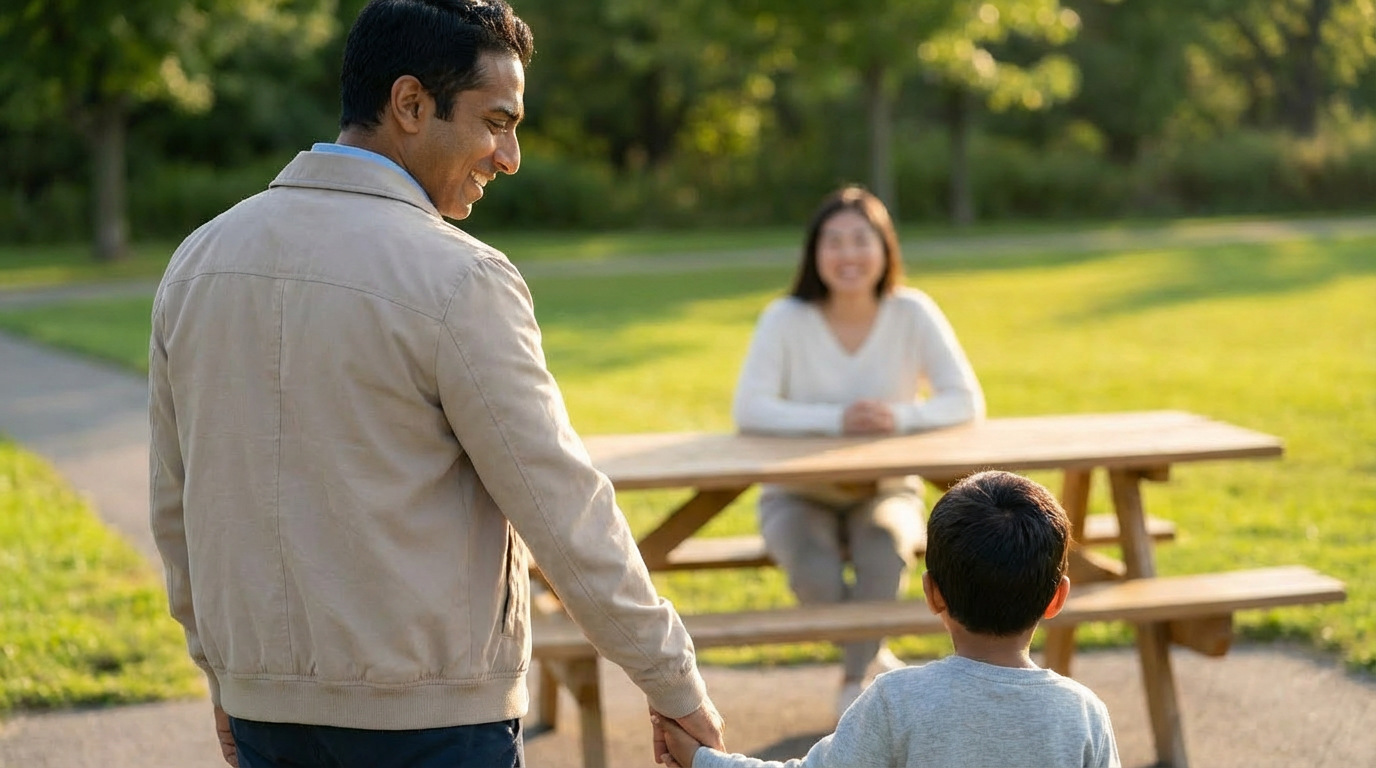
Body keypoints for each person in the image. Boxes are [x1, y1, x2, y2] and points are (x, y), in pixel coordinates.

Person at [148, 1, 723, 766]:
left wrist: (223, 672)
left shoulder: (197, 261)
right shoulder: (459, 276)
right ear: (411, 104)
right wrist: (675, 683)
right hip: (430, 727)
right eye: (496, 122)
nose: (509, 155)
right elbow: (559, 504)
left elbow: (175, 505)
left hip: (263, 714)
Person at [653, 470, 1121, 768]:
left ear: (932, 593)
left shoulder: (898, 701)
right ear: (1056, 599)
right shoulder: (1083, 715)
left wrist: (702, 759)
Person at [731, 185, 986, 717]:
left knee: (886, 549)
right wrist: (837, 419)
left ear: (885, 247)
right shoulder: (784, 318)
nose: (848, 255)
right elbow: (750, 408)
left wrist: (900, 416)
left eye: (860, 240)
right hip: (796, 492)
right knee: (814, 569)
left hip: (886, 486)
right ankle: (872, 663)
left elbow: (965, 400)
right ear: (814, 252)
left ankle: (854, 684)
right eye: (834, 242)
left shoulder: (913, 312)